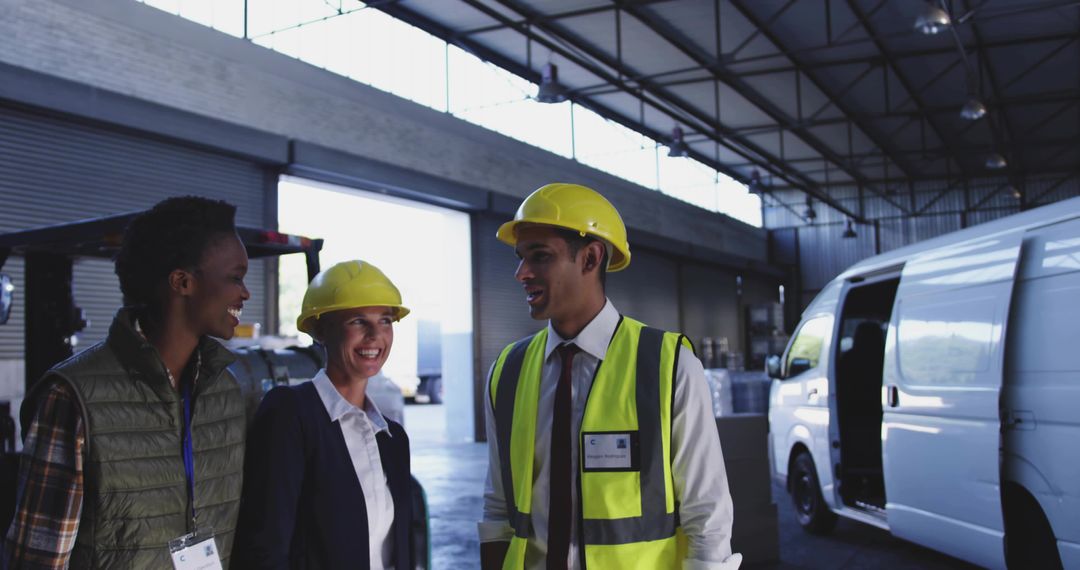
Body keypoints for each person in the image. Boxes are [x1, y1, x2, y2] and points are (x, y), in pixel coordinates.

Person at [478, 183, 742, 570]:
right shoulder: (508, 370)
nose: (521, 273)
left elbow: (708, 513)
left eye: (540, 256)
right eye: (520, 258)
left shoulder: (669, 366)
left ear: (590, 258)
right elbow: (499, 503)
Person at [5, 196, 251, 568]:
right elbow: (38, 559)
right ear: (182, 282)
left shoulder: (227, 394)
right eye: (235, 278)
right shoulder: (74, 398)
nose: (245, 292)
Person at [233, 260, 414, 570]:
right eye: (358, 321)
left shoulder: (392, 438)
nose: (375, 335)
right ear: (319, 330)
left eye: (385, 320)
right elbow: (266, 545)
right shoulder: (290, 415)